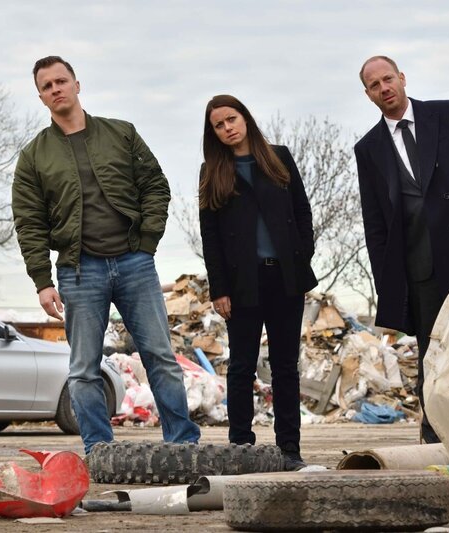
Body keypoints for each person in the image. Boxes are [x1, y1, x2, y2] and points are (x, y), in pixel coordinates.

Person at [12, 56, 200, 454]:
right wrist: (42, 282)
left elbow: (155, 187)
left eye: (61, 81)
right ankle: (99, 451)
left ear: (77, 84)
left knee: (160, 357)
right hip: (79, 272)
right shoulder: (33, 157)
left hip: (134, 262)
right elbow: (29, 222)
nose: (56, 89)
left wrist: (146, 241)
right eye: (47, 86)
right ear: (41, 97)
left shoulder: (121, 133)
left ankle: (183, 446)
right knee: (83, 370)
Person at [354, 56, 449, 443]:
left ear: (402, 78)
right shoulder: (368, 148)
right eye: (374, 85)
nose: (384, 87)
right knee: (430, 350)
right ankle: (435, 435)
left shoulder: (446, 114)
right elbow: (375, 221)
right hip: (417, 265)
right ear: (368, 95)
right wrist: (387, 279)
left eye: (388, 78)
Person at [198, 95, 317, 471]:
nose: (227, 128)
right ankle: (241, 448)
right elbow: (211, 236)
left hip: (285, 278)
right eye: (219, 125)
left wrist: (301, 259)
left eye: (231, 119)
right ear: (213, 133)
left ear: (245, 118)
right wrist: (219, 289)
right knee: (241, 367)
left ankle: (289, 451)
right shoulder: (212, 171)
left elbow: (302, 211)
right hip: (241, 283)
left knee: (285, 367)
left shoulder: (278, 157)